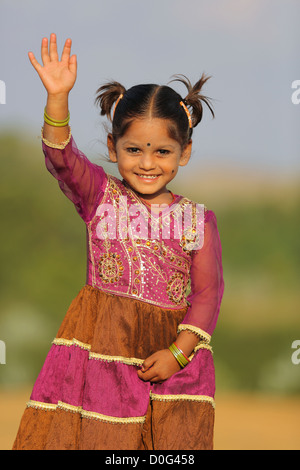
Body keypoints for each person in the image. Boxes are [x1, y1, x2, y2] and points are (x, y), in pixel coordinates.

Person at [13, 33, 224, 450]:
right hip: (102, 354)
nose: (147, 163)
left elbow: (208, 294)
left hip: (175, 363)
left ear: (185, 152)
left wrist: (177, 355)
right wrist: (58, 98)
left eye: (163, 151)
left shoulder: (198, 221)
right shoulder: (98, 196)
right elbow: (60, 158)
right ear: (112, 147)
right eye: (133, 149)